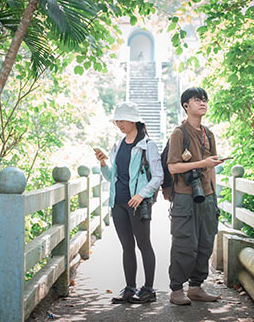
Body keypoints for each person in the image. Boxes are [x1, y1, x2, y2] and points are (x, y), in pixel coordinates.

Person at [95, 101, 163, 304]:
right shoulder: (117, 145)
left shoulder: (147, 145)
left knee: (144, 244)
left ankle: (149, 290)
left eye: (123, 120)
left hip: (137, 204)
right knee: (126, 246)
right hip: (118, 203)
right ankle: (130, 288)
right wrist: (102, 163)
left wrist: (142, 195)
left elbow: (158, 176)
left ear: (134, 121)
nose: (119, 123)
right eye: (117, 120)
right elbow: (112, 177)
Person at [167, 87, 223, 305]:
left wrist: (214, 196)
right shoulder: (179, 133)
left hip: (207, 196)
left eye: (205, 100)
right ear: (185, 105)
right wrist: (202, 164)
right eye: (197, 100)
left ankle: (196, 287)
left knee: (205, 242)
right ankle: (176, 290)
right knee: (184, 244)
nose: (202, 103)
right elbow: (172, 167)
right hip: (184, 196)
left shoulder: (209, 134)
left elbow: (213, 168)